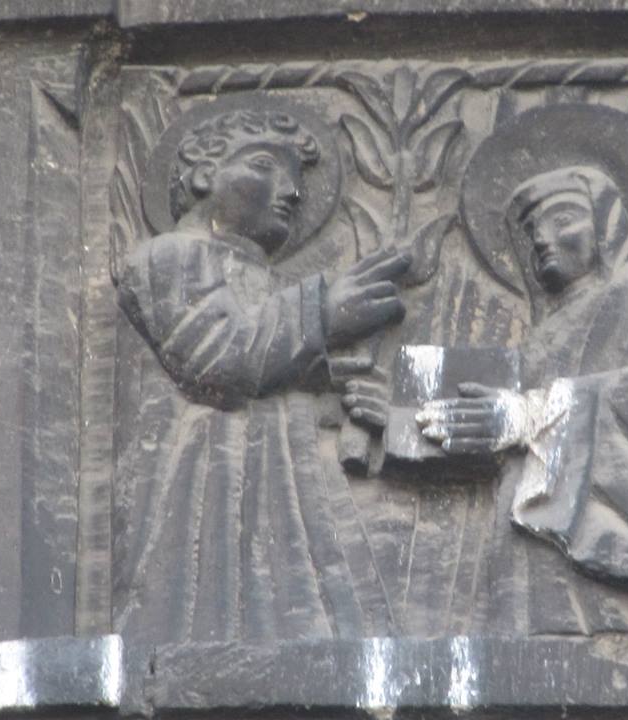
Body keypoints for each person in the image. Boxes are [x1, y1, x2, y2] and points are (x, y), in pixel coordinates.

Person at [114, 105, 409, 643]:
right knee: (218, 616)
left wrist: (350, 402)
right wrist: (323, 314)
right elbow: (216, 361)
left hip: (290, 484)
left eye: (295, 180)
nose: (291, 192)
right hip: (217, 482)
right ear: (205, 173)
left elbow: (284, 375)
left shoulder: (270, 284)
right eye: (264, 166)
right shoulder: (170, 257)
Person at [417, 165, 628, 635]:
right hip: (529, 548)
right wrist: (411, 420)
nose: (542, 239)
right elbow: (491, 421)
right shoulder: (543, 336)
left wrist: (530, 416)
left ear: (607, 224)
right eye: (532, 231)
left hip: (619, 557)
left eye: (563, 220)